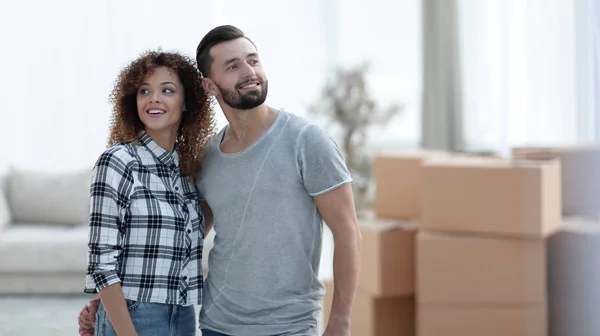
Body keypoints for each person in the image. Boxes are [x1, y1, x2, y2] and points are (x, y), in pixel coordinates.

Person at [80, 25, 362, 336]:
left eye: (252, 60)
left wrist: (340, 322)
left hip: (289, 326)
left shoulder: (307, 141)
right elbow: (176, 238)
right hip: (216, 324)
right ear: (209, 86)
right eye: (232, 66)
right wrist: (109, 300)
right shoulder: (206, 157)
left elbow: (348, 232)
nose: (248, 71)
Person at [80, 50, 215, 336]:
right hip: (135, 316)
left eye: (167, 90)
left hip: (184, 314)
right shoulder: (118, 161)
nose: (154, 98)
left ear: (187, 102)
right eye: (145, 91)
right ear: (134, 101)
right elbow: (102, 262)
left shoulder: (188, 169)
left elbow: (186, 236)